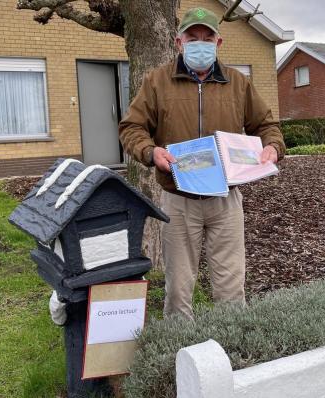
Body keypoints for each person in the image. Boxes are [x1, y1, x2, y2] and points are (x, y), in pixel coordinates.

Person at [118, 6, 285, 320]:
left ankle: (233, 356)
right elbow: (132, 127)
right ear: (178, 41)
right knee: (178, 291)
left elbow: (266, 126)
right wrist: (150, 152)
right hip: (178, 201)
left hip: (226, 200)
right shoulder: (156, 82)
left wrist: (272, 148)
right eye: (192, 37)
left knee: (232, 288)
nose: (200, 44)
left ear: (219, 43)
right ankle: (180, 357)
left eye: (207, 38)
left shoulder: (238, 83)